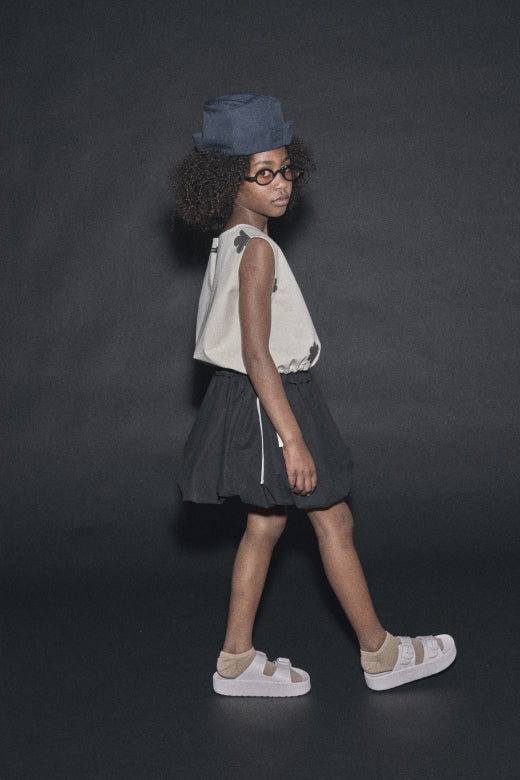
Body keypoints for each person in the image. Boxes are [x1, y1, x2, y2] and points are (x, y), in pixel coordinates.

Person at [173, 94, 456, 696]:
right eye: (263, 173)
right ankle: (381, 653)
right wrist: (293, 439)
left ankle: (236, 659)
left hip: (245, 397)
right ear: (228, 179)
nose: (281, 184)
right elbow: (256, 354)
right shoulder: (257, 252)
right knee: (334, 517)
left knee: (266, 525)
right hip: (272, 397)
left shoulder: (230, 241)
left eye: (285, 169)